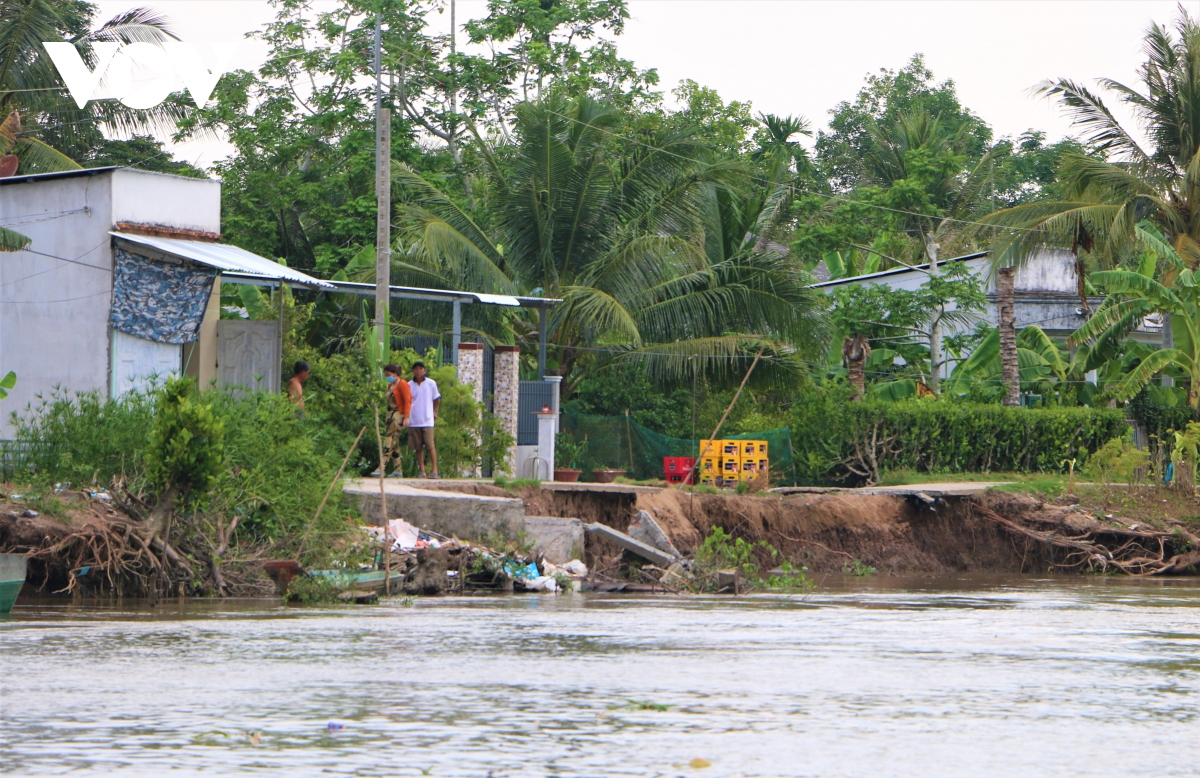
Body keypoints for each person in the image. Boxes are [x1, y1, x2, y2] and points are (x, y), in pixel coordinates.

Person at [373, 363, 411, 477]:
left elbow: (407, 400)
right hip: (390, 415)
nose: (388, 377)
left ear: (395, 374)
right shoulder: (391, 385)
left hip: (397, 415)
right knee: (395, 442)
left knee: (389, 440)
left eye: (389, 375)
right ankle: (397, 469)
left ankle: (382, 467)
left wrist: (406, 416)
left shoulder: (403, 384)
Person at [407, 361, 441, 478]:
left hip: (427, 420)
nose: (418, 371)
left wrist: (432, 411)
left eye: (420, 369)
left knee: (430, 446)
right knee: (418, 448)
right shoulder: (409, 385)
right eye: (416, 369)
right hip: (414, 420)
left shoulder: (431, 383)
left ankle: (434, 471)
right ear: (413, 371)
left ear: (424, 370)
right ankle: (422, 471)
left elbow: (437, 399)